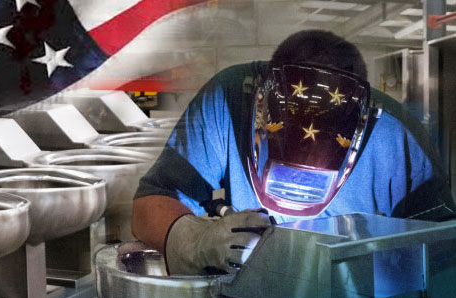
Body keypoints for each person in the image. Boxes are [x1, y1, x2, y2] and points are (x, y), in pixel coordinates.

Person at [131, 30, 456, 275]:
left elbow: (446, 253)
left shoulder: (398, 137)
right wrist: (198, 243)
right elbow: (149, 206)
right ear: (259, 103)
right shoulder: (229, 98)